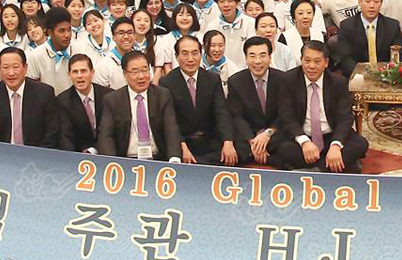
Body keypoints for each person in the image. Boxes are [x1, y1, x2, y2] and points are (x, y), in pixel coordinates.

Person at [275, 41, 367, 172]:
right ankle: (336, 166)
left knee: (360, 144)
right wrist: (304, 141)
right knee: (284, 149)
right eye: (307, 60)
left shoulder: (338, 83)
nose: (311, 66)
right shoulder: (288, 80)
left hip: (330, 135)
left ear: (326, 63)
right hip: (304, 136)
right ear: (301, 60)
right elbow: (286, 116)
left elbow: (345, 118)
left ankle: (316, 170)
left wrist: (336, 146)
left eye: (317, 61)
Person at [160, 33, 238, 165]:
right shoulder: (167, 83)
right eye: (185, 54)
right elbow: (170, 121)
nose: (190, 59)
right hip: (183, 141)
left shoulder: (212, 79)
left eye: (195, 53)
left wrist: (228, 142)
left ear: (201, 54)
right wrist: (182, 147)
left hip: (208, 139)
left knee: (232, 154)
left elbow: (222, 113)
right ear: (177, 56)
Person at [96, 49, 182, 161]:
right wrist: (112, 162)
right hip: (126, 160)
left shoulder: (162, 95)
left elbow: (171, 129)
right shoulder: (113, 100)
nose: (141, 76)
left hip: (158, 159)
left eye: (144, 70)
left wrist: (174, 157)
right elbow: (106, 136)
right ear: (125, 74)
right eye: (135, 72)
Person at [0, 46, 60, 147]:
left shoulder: (44, 93)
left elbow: (52, 133)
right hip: (2, 155)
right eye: (5, 67)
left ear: (25, 68)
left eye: (15, 67)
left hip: (38, 154)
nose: (11, 73)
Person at [227, 36, 289, 166]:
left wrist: (268, 133)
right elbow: (237, 117)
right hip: (250, 134)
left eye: (262, 56)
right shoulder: (235, 81)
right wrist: (253, 142)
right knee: (234, 148)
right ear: (246, 58)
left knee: (287, 147)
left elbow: (285, 113)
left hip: (274, 133)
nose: (257, 61)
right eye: (252, 56)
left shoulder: (283, 79)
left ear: (270, 57)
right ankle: (259, 155)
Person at [332, 0, 402, 78]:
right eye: (367, 1)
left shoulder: (392, 26)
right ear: (359, 2)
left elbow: (398, 56)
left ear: (381, 3)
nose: (372, 6)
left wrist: (386, 75)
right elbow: (345, 58)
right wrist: (361, 76)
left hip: (386, 77)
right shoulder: (347, 26)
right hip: (356, 77)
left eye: (376, 1)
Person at [56, 53, 113, 153]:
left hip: (108, 154)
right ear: (69, 75)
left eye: (83, 71)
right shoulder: (62, 101)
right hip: (78, 157)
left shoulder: (108, 96)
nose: (79, 76)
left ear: (92, 72)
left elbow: (112, 132)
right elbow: (66, 138)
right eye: (75, 72)